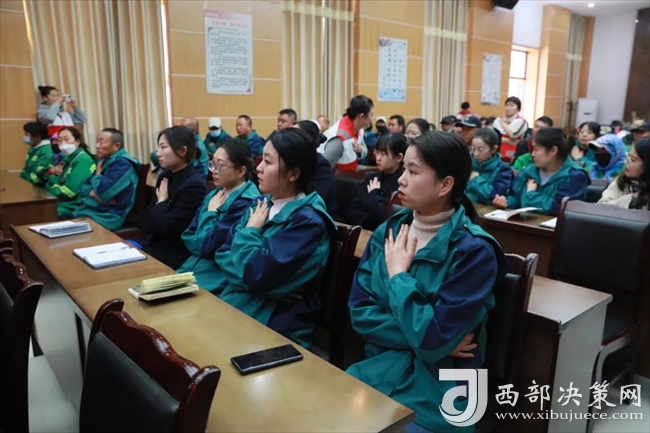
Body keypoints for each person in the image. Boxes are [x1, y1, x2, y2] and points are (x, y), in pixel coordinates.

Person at [346, 131, 508, 433]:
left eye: (413, 171)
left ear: (445, 185)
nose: (401, 180)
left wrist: (399, 276)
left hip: (443, 392)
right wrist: (433, 341)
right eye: (403, 169)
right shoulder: (389, 232)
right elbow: (360, 314)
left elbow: (433, 339)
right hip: (378, 370)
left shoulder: (474, 252)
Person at [213, 128, 336, 348]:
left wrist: (249, 232)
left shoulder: (307, 222)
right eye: (261, 159)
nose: (258, 167)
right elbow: (222, 253)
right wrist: (259, 286)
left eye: (268, 162)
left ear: (293, 174)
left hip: (275, 324)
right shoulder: (260, 204)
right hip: (240, 305)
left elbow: (258, 275)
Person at [177, 139, 260, 287]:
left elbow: (210, 247)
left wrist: (211, 213)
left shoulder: (247, 202)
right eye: (212, 163)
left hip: (215, 277)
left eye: (220, 166)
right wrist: (203, 246)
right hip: (191, 266)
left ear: (241, 171)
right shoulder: (214, 194)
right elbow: (188, 235)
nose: (213, 170)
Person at [131, 126, 207, 269]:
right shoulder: (165, 176)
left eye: (163, 147)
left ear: (182, 151)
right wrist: (161, 210)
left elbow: (170, 228)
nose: (158, 153)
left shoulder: (194, 185)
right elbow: (149, 220)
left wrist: (161, 202)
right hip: (154, 242)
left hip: (174, 251)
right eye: (158, 147)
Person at [493, 127, 589, 216]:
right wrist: (506, 202)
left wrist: (531, 194)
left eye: (536, 150)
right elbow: (516, 197)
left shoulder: (575, 176)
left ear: (553, 150)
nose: (532, 154)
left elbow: (558, 208)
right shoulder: (529, 171)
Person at [70, 128, 141, 230]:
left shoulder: (123, 164)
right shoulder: (104, 161)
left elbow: (103, 194)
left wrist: (98, 175)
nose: (97, 146)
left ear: (116, 146)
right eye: (97, 141)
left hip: (107, 216)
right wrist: (93, 193)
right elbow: (83, 188)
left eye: (101, 142)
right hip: (90, 210)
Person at [347, 133, 407, 230]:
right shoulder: (371, 177)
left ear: (399, 157)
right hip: (362, 229)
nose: (378, 158)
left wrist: (373, 195)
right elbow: (353, 210)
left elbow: (385, 218)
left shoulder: (402, 183)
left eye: (383, 154)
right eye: (377, 153)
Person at [45, 127, 96, 216]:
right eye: (59, 140)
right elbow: (56, 179)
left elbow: (69, 192)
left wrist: (51, 188)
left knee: (43, 212)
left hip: (76, 204)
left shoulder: (83, 159)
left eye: (66, 139)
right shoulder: (67, 158)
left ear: (77, 141)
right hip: (64, 200)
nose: (62, 143)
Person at [296, 119, 339, 218]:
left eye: (294, 135)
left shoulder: (321, 165)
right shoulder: (292, 160)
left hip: (318, 216)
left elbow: (315, 198)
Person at [319, 95, 373, 170]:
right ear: (362, 116)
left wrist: (360, 150)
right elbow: (322, 169)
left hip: (349, 172)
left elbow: (365, 151)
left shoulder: (359, 128)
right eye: (371, 114)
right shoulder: (339, 139)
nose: (372, 118)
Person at [599, 137, 650, 210]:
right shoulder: (622, 181)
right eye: (628, 157)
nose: (625, 162)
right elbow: (602, 207)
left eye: (633, 160)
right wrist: (631, 199)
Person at [466, 128, 513, 205]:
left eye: (481, 150)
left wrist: (476, 179)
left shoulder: (503, 169)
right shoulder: (468, 163)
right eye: (473, 149)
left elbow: (496, 196)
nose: (476, 154)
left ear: (494, 149)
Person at [492, 96, 529, 161]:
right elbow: (493, 137)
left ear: (518, 109)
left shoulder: (521, 121)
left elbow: (513, 135)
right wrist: (508, 141)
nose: (509, 108)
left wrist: (504, 124)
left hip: (514, 153)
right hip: (498, 152)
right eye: (507, 105)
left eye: (512, 106)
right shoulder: (497, 120)